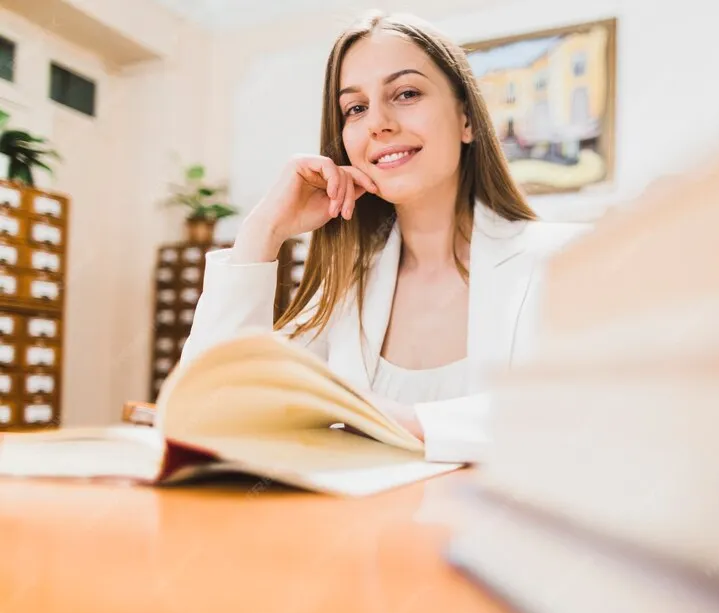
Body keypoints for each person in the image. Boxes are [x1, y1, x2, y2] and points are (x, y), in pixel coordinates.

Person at [179, 10, 589, 463]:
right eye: (355, 108)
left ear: (467, 119)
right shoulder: (342, 295)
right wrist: (262, 231)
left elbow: (598, 417)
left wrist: (392, 418)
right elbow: (212, 414)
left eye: (407, 93)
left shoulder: (571, 260)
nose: (378, 123)